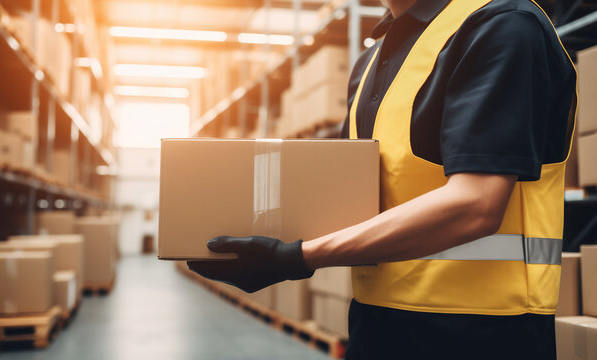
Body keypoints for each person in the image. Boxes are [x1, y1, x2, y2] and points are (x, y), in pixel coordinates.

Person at [188, 0, 577, 358]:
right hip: (375, 323)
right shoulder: (371, 60)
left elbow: (476, 205)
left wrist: (292, 258)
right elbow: (358, 193)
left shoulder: (501, 25)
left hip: (484, 331)